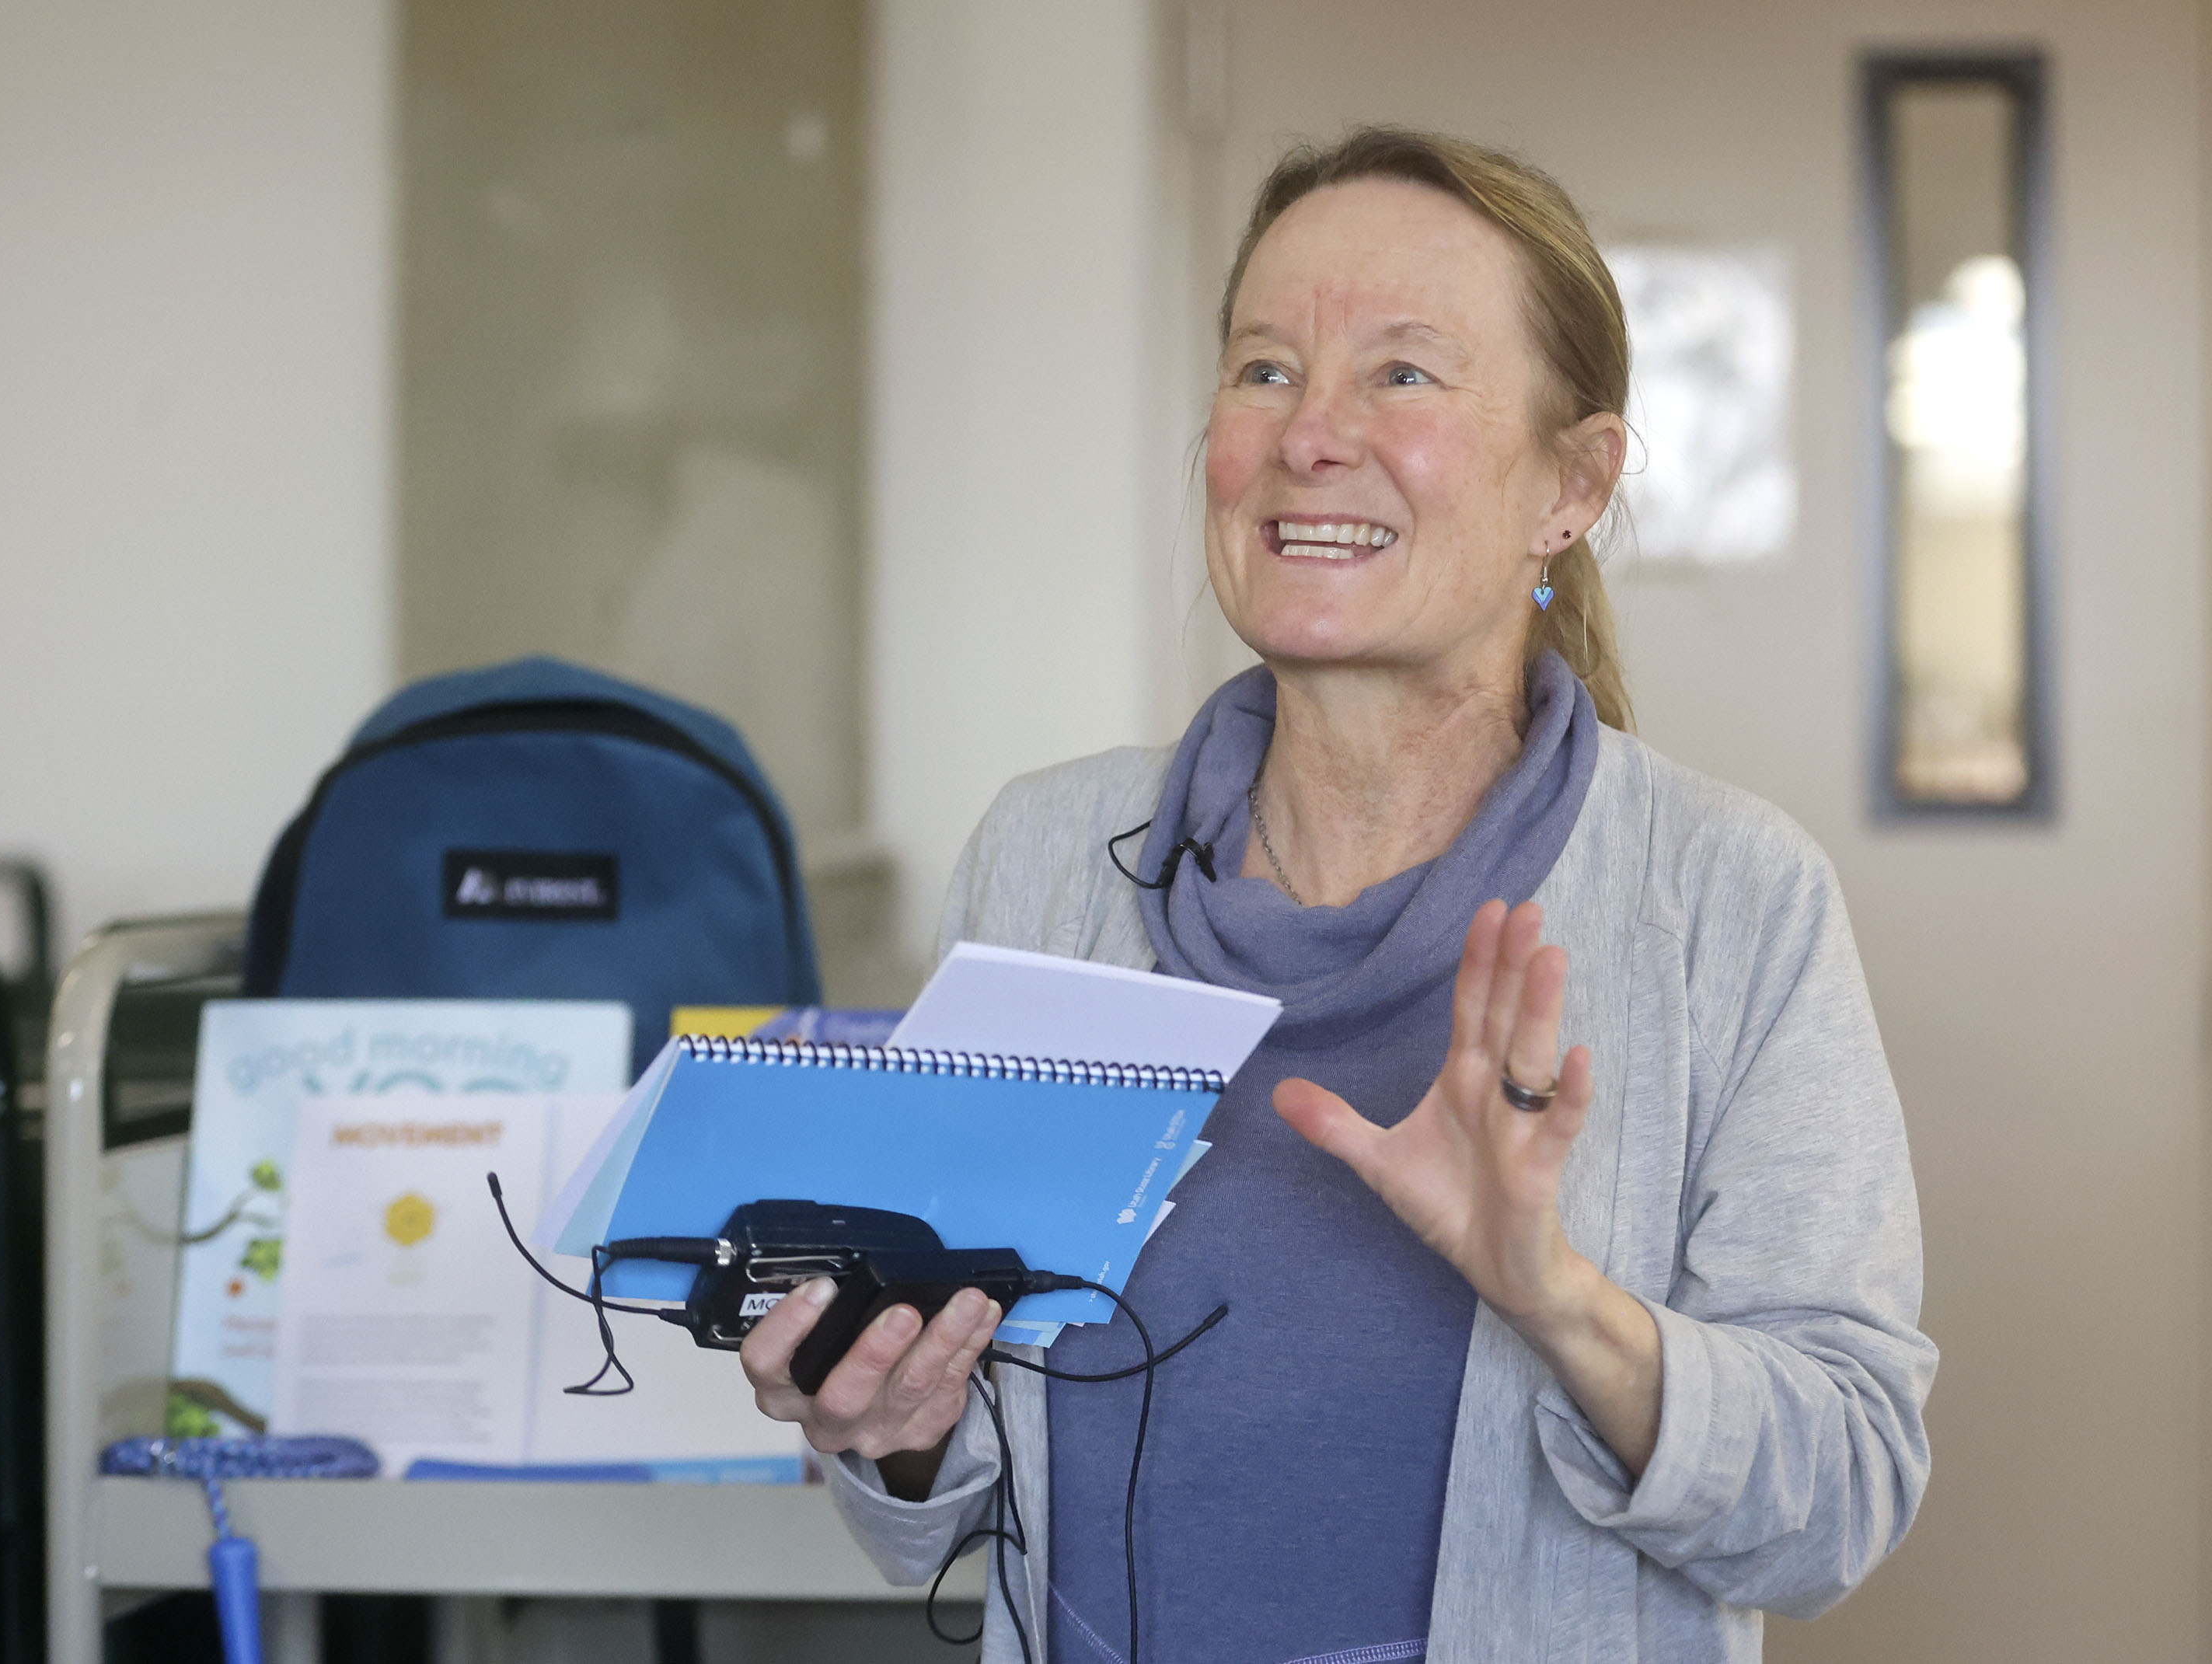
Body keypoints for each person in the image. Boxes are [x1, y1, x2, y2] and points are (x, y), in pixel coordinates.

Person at [737, 126, 1935, 1664]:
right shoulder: (1043, 858)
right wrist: (890, 1428)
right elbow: (956, 1489)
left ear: (1570, 485)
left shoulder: (1728, 899)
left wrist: (1559, 1302)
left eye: (1403, 375)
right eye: (1263, 370)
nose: (1310, 435)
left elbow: (1843, 1492)